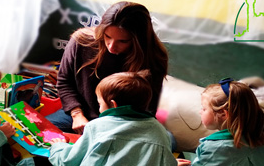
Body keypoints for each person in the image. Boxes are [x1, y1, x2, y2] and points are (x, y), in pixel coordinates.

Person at [46, 1, 169, 134]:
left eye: (123, 41)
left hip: (125, 122)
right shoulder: (81, 42)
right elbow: (64, 81)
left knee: (169, 141)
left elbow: (148, 106)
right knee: (39, 131)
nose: (111, 46)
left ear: (139, 40)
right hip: (80, 114)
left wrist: (112, 130)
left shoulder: (153, 57)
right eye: (107, 36)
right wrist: (76, 114)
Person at [48, 70, 177, 166]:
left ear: (113, 104)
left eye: (100, 104)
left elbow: (69, 161)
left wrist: (58, 147)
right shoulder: (159, 132)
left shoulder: (96, 126)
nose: (99, 108)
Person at [178, 78, 264, 166]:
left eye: (204, 109)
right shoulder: (260, 137)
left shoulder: (215, 148)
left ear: (224, 114)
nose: (200, 112)